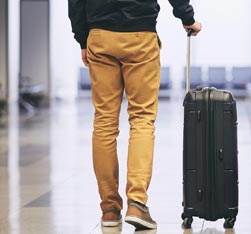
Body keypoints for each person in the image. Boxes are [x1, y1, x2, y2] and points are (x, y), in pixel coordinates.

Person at [68, 0, 202, 229]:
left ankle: (109, 210)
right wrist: (187, 18)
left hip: (100, 36)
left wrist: (83, 38)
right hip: (140, 34)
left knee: (104, 122)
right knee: (142, 118)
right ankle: (137, 203)